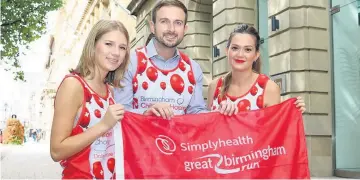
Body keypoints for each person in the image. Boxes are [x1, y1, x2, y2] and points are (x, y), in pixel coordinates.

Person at [115, 0, 305, 119]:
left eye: (178, 23)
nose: (171, 29)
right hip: (138, 160)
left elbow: (197, 113)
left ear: (185, 29)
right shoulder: (130, 61)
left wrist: (219, 113)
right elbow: (118, 111)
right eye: (164, 21)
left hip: (178, 161)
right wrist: (145, 113)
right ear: (152, 26)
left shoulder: (193, 68)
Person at [50, 20, 130, 179]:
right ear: (93, 46)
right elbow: (56, 151)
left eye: (122, 47)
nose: (116, 52)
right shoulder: (73, 85)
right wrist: (103, 125)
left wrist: (145, 119)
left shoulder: (111, 91)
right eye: (109, 44)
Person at [207, 24, 306, 113]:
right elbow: (205, 127)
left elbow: (275, 130)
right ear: (226, 51)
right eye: (235, 48)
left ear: (256, 55)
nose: (240, 54)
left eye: (248, 49)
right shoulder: (214, 87)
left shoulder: (269, 89)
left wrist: (291, 113)